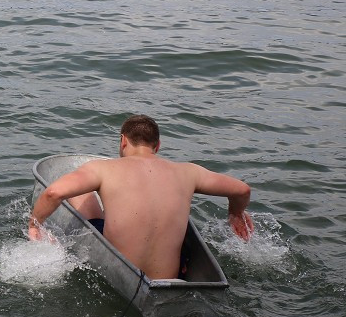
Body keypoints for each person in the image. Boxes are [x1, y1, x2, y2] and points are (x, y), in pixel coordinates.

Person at [28, 115, 255, 280]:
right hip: (171, 277)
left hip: (120, 271)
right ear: (157, 146)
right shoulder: (189, 172)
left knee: (82, 192)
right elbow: (242, 190)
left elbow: (53, 192)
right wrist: (235, 213)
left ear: (123, 141)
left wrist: (35, 225)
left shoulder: (102, 169)